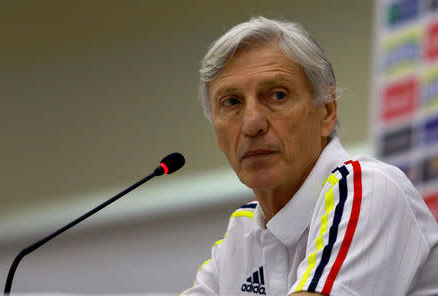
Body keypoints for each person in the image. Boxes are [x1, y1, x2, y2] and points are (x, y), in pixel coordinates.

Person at [181, 17, 438, 296]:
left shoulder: (367, 188)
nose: (252, 124)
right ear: (217, 135)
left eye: (277, 95)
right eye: (231, 102)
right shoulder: (243, 230)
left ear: (327, 111)